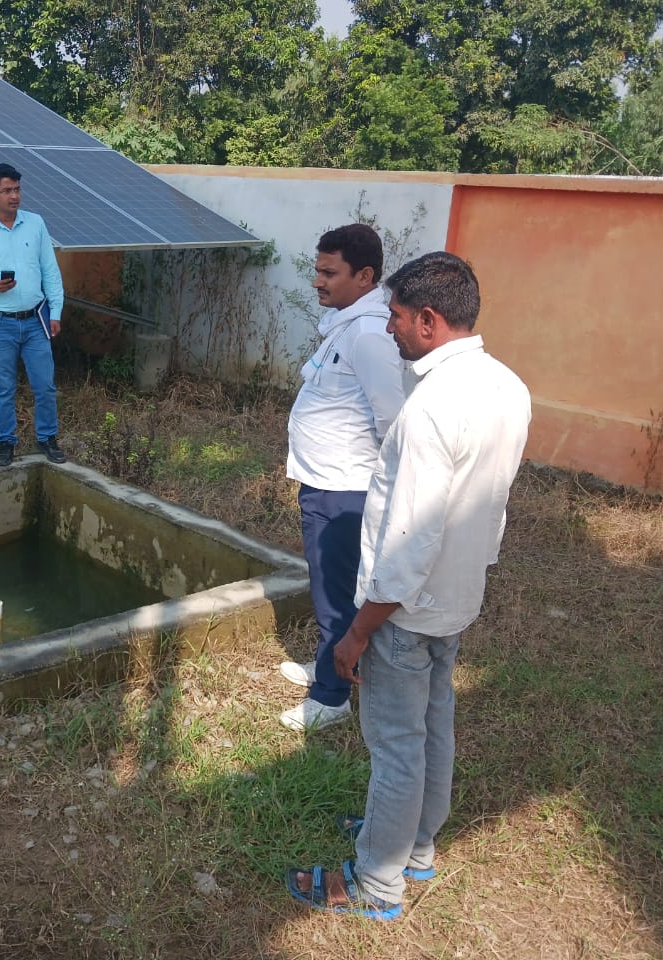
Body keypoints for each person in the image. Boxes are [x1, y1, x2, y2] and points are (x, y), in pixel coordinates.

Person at [286, 251, 531, 920]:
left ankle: (376, 882)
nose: (388, 327)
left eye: (394, 316)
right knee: (432, 724)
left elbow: (408, 542)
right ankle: (414, 844)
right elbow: (493, 505)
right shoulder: (507, 386)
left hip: (404, 611)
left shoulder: (429, 411)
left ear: (427, 320)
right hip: (456, 597)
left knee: (396, 747)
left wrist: (357, 633)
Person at [279, 224, 406, 732]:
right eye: (318, 270)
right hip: (324, 481)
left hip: (344, 488)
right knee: (328, 584)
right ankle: (328, 663)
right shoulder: (348, 326)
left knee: (336, 592)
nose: (318, 281)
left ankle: (331, 699)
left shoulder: (370, 337)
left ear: (365, 276)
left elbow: (392, 421)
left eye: (329, 273)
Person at [0, 162, 66, 467]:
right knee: (4, 388)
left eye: (17, 189)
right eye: (7, 190)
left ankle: (47, 438)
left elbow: (50, 270)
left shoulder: (36, 224)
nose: (14, 196)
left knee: (45, 385)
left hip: (36, 320)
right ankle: (6, 442)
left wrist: (56, 311)